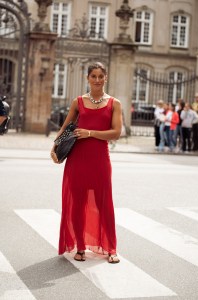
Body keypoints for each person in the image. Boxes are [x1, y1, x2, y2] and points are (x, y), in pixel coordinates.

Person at [51, 62, 122, 263]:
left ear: (105, 78)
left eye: (101, 76)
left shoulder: (114, 103)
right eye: (94, 76)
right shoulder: (78, 102)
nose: (97, 80)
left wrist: (90, 133)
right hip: (77, 159)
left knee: (103, 203)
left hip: (100, 159)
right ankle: (80, 247)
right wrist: (55, 147)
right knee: (77, 203)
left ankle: (110, 248)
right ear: (88, 78)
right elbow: (65, 128)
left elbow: (116, 133)